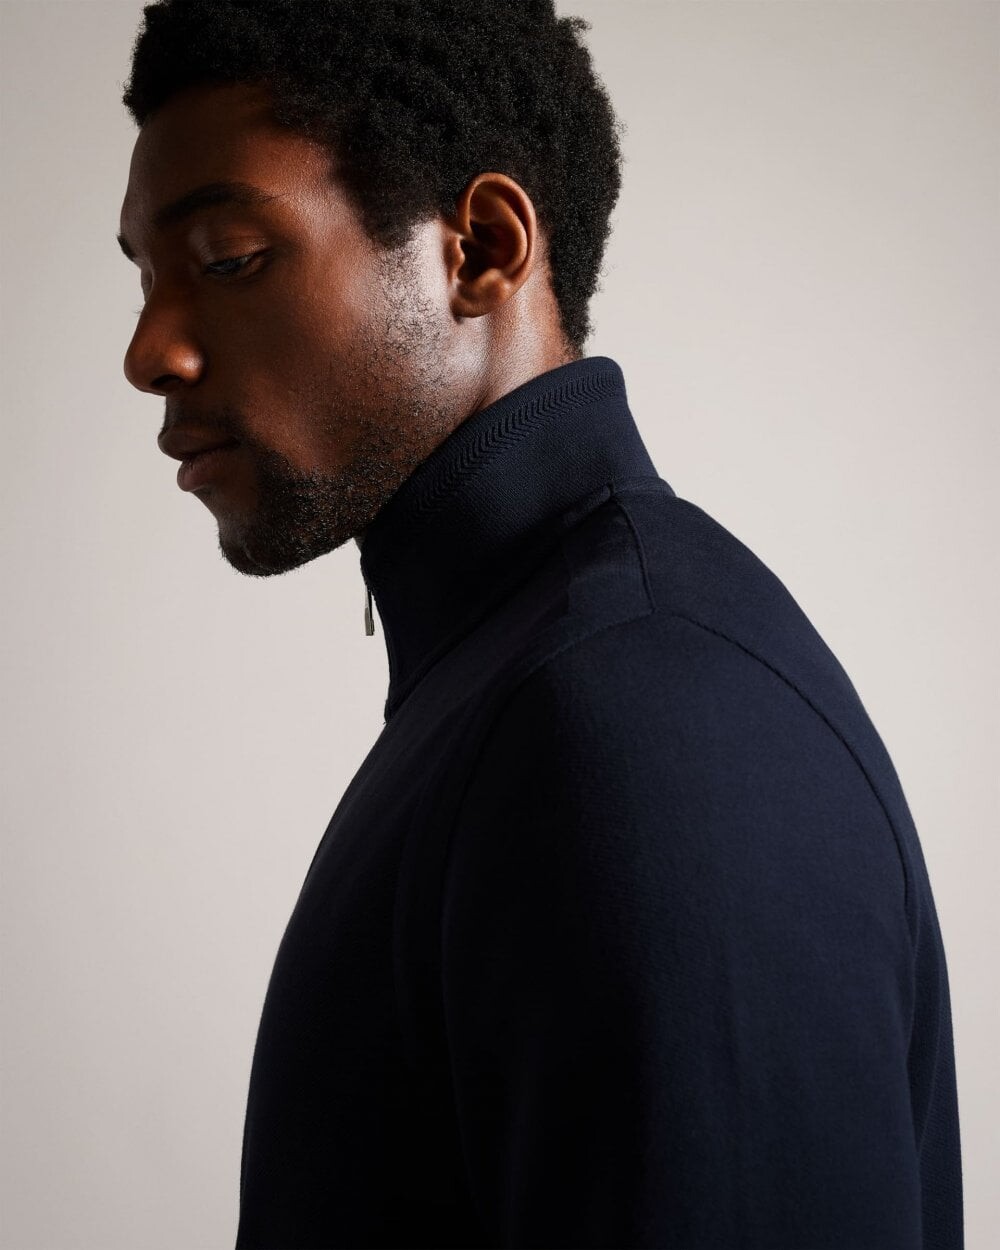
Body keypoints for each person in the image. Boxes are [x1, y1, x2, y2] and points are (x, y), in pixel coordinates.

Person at [116, 2, 963, 1247]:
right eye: (144, 279)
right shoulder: (532, 680)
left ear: (480, 247)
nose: (148, 352)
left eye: (230, 257)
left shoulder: (646, 721)